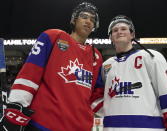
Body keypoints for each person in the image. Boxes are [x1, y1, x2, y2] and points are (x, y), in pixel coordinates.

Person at [0, 2, 103, 131]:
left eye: (92, 19)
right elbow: (30, 73)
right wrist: (16, 105)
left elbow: (96, 95)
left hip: (80, 126)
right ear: (74, 19)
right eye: (84, 16)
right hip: (44, 124)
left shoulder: (96, 56)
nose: (88, 21)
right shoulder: (53, 36)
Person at [98, 15, 167, 131]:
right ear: (110, 37)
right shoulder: (106, 65)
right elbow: (99, 96)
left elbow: (165, 91)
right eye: (115, 30)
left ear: (132, 34)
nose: (119, 32)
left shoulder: (151, 56)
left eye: (123, 29)